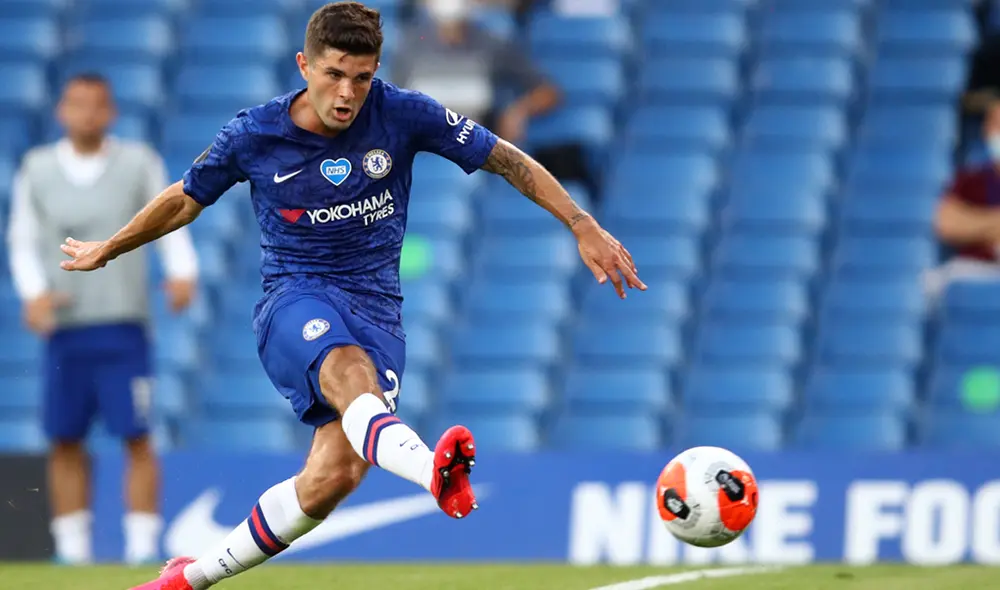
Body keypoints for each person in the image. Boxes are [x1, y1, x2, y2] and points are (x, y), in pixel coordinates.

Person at [58, 4, 644, 588]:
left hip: (376, 310)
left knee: (333, 477)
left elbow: (504, 158)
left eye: (361, 78)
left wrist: (580, 222)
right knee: (348, 371)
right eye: (334, 74)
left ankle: (190, 578)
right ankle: (431, 472)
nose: (347, 93)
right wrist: (112, 245)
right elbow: (186, 197)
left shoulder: (402, 113)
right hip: (296, 297)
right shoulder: (254, 134)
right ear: (304, 66)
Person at [6, 73, 199, 565]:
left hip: (123, 324)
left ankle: (141, 549)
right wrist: (33, 293)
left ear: (110, 112)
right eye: (77, 104)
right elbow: (22, 237)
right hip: (67, 328)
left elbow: (169, 213)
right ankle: (74, 553)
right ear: (61, 112)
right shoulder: (38, 167)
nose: (87, 114)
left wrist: (182, 271)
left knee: (136, 434)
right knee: (64, 437)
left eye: (96, 105)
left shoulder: (137, 162)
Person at [928, 101, 1000, 299]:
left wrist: (977, 223)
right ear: (987, 131)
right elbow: (947, 223)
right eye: (998, 126)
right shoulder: (970, 180)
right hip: (976, 271)